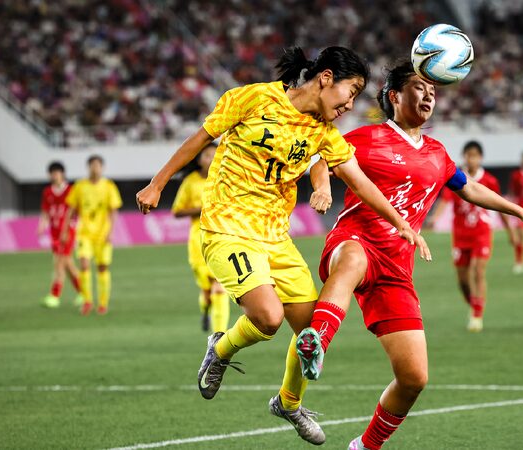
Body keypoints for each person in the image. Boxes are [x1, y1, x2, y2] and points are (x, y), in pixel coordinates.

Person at [134, 47, 429, 446]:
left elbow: (359, 182)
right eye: (351, 92)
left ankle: (289, 403)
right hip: (228, 228)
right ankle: (220, 349)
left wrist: (400, 223)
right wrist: (158, 183)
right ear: (326, 78)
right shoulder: (253, 98)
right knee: (269, 317)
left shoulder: (323, 133)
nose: (350, 105)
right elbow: (200, 138)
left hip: (276, 238)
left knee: (312, 333)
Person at [295, 62, 523, 450]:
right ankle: (317, 341)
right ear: (395, 96)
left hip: (397, 268)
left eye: (433, 90)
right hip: (354, 239)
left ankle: (365, 446)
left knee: (414, 378)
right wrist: (323, 187)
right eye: (419, 87)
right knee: (353, 261)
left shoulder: (437, 153)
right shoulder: (367, 137)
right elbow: (321, 158)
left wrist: (518, 210)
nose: (429, 95)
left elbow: (469, 188)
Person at [426, 140, 515, 332]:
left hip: (481, 232)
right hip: (460, 235)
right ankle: (474, 304)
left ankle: (477, 315)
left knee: (477, 270)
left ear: (480, 158)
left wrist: (510, 231)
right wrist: (435, 217)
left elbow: (500, 205)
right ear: (464, 157)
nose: (471, 159)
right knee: (463, 281)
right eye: (468, 155)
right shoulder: (456, 177)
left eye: (475, 156)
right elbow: (445, 200)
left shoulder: (490, 180)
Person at [171, 143, 230, 333]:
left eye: (215, 154)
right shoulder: (190, 182)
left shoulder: (226, 178)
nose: (211, 159)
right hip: (198, 242)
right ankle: (205, 310)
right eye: (207, 155)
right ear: (199, 159)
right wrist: (203, 210)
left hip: (222, 239)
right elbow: (177, 211)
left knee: (219, 288)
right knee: (207, 292)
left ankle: (218, 336)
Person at [61, 155, 123, 316]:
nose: (95, 168)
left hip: (102, 234)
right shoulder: (80, 186)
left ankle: (102, 303)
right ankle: (87, 301)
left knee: (102, 267)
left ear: (102, 168)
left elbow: (113, 211)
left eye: (98, 165)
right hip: (84, 233)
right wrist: (65, 230)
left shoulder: (109, 186)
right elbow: (71, 210)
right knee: (84, 264)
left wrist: (111, 232)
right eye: (92, 165)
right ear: (88, 167)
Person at [38, 161, 83, 308]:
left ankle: (55, 295)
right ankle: (83, 292)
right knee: (68, 264)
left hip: (68, 231)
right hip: (55, 232)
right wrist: (41, 225)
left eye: (57, 173)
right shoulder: (47, 192)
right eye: (52, 173)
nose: (55, 176)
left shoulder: (71, 190)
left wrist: (72, 228)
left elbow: (76, 211)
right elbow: (45, 212)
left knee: (59, 262)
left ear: (62, 174)